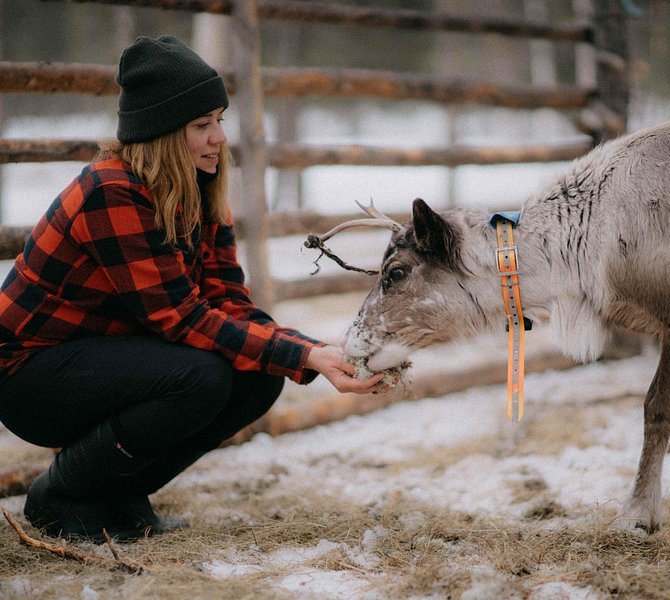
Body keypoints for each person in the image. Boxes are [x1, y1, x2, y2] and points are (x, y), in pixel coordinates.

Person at [0, 35, 383, 542]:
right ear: (161, 133)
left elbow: (227, 300)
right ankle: (62, 495)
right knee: (200, 377)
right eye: (201, 125)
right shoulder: (111, 192)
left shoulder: (198, 189)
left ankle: (118, 493)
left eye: (220, 120)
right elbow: (179, 319)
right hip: (29, 375)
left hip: (103, 359)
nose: (219, 138)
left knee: (257, 377)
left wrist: (311, 351)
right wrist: (306, 356)